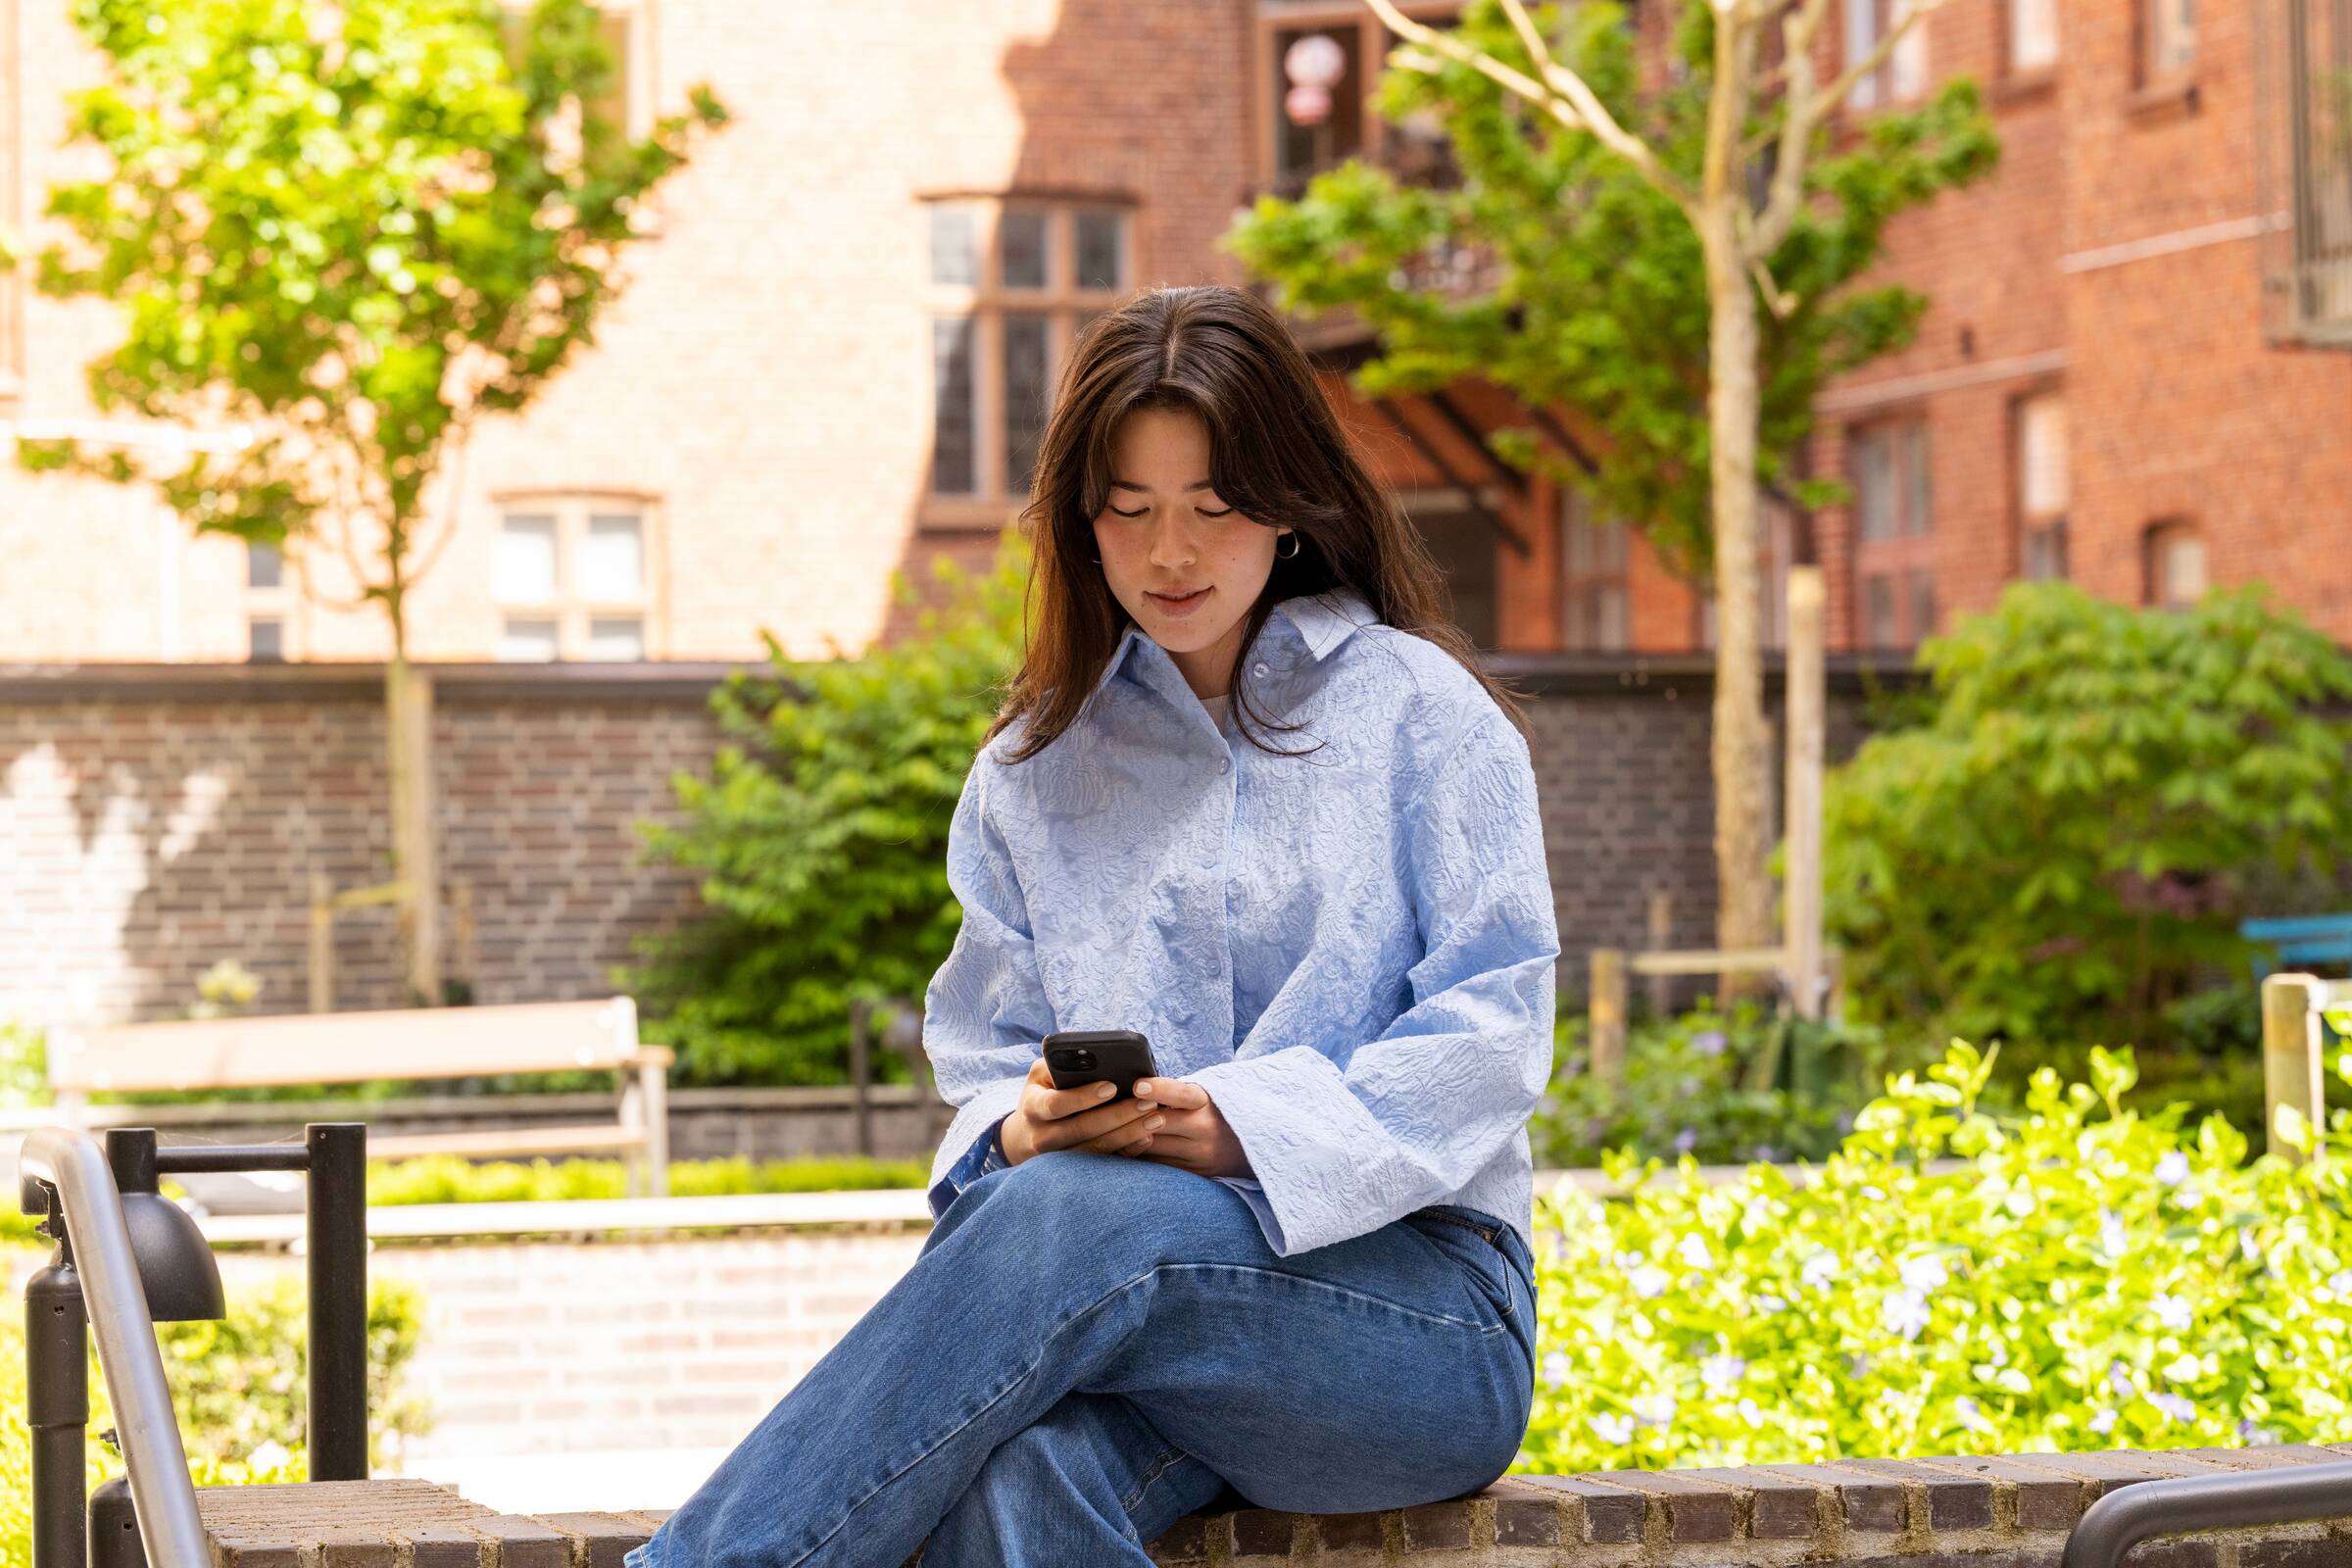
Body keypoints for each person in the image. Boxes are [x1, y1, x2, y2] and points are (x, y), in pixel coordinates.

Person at [624, 283, 1561, 1568]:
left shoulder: (1422, 714)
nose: (1171, 553)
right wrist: (1021, 1127)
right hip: (1137, 1328)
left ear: (1288, 506)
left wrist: (1240, 1132)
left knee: (1078, 1216)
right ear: (1082, 522)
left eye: (1212, 508)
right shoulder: (1033, 770)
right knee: (1023, 1480)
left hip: (1418, 1324)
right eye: (1130, 509)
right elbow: (983, 1051)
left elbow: (1491, 1033)